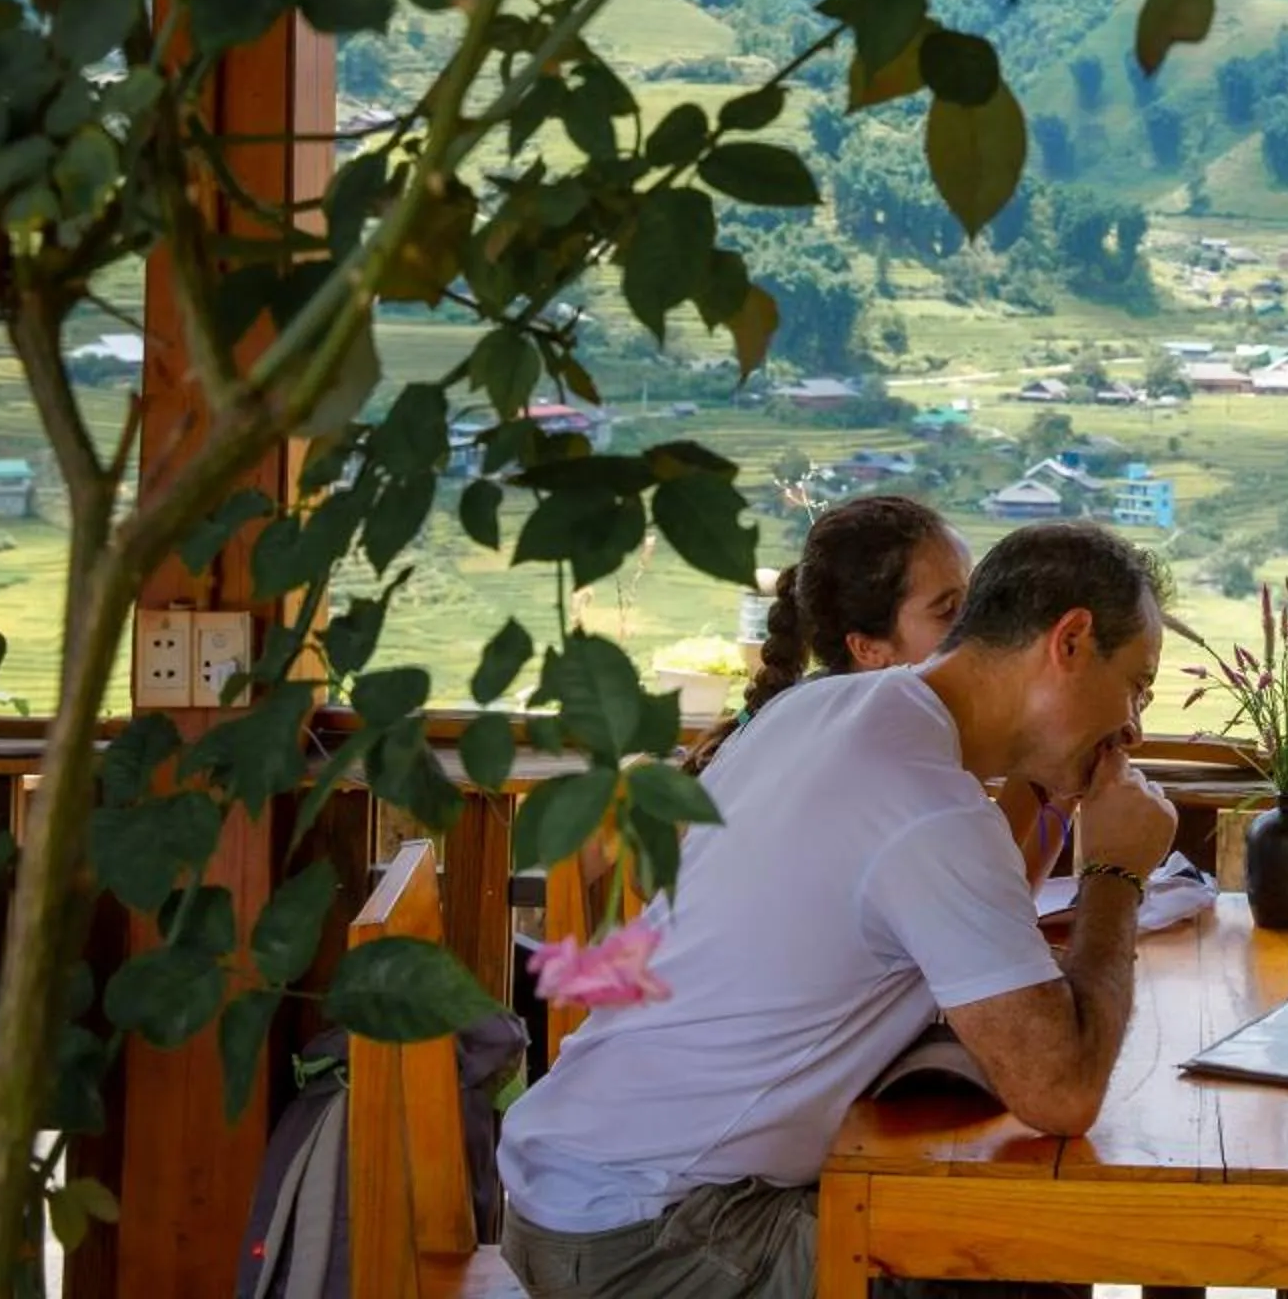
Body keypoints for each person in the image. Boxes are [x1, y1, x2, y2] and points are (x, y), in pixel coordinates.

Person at [496, 521, 1179, 1299]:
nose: (1134, 727)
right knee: (1020, 1261)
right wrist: (1116, 871)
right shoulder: (928, 804)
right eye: (1136, 684)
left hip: (584, 1188)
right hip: (647, 1235)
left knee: (998, 1243)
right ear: (1071, 640)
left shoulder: (824, 711)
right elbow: (1062, 1095)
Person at [689, 495, 1064, 881]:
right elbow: (991, 894)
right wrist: (1109, 862)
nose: (980, 629)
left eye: (973, 602)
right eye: (948, 610)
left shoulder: (828, 711)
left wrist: (1057, 774)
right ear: (868, 648)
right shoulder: (878, 752)